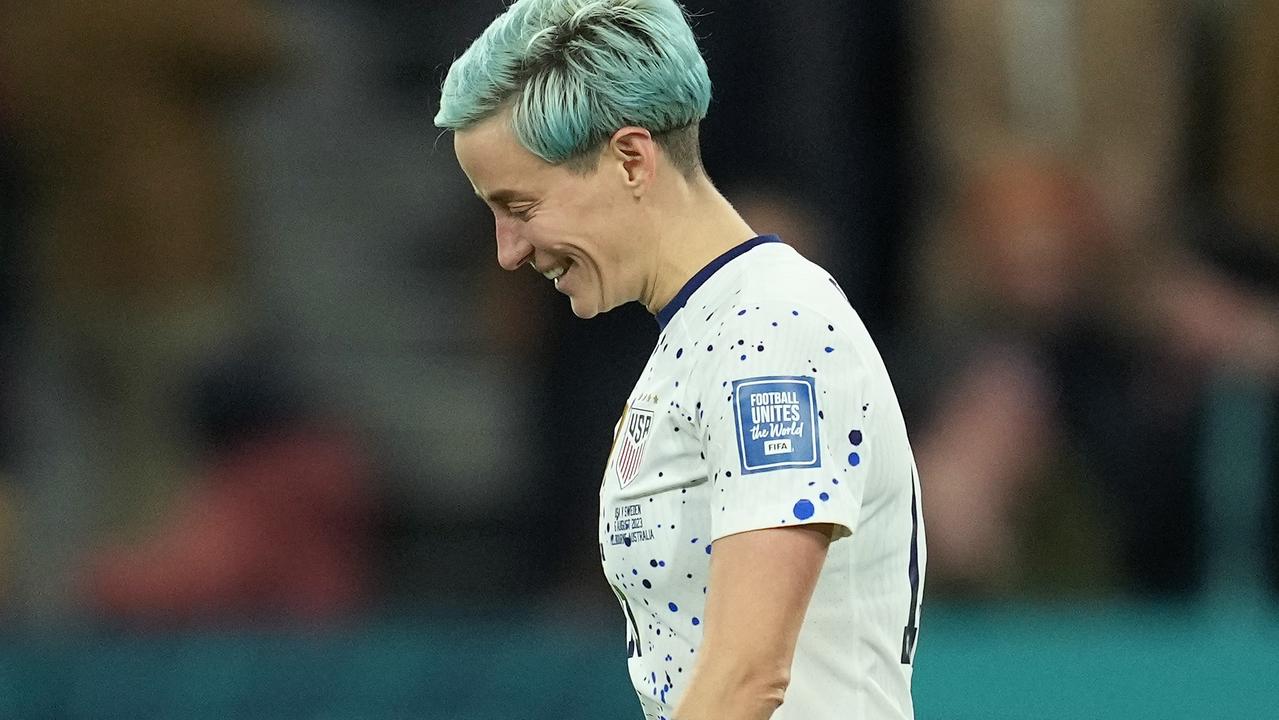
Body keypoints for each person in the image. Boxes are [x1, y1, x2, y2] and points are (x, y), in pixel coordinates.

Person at [434, 1, 925, 718]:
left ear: (631, 159)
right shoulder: (698, 340)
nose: (507, 251)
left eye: (522, 206)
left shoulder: (771, 331)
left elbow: (747, 676)